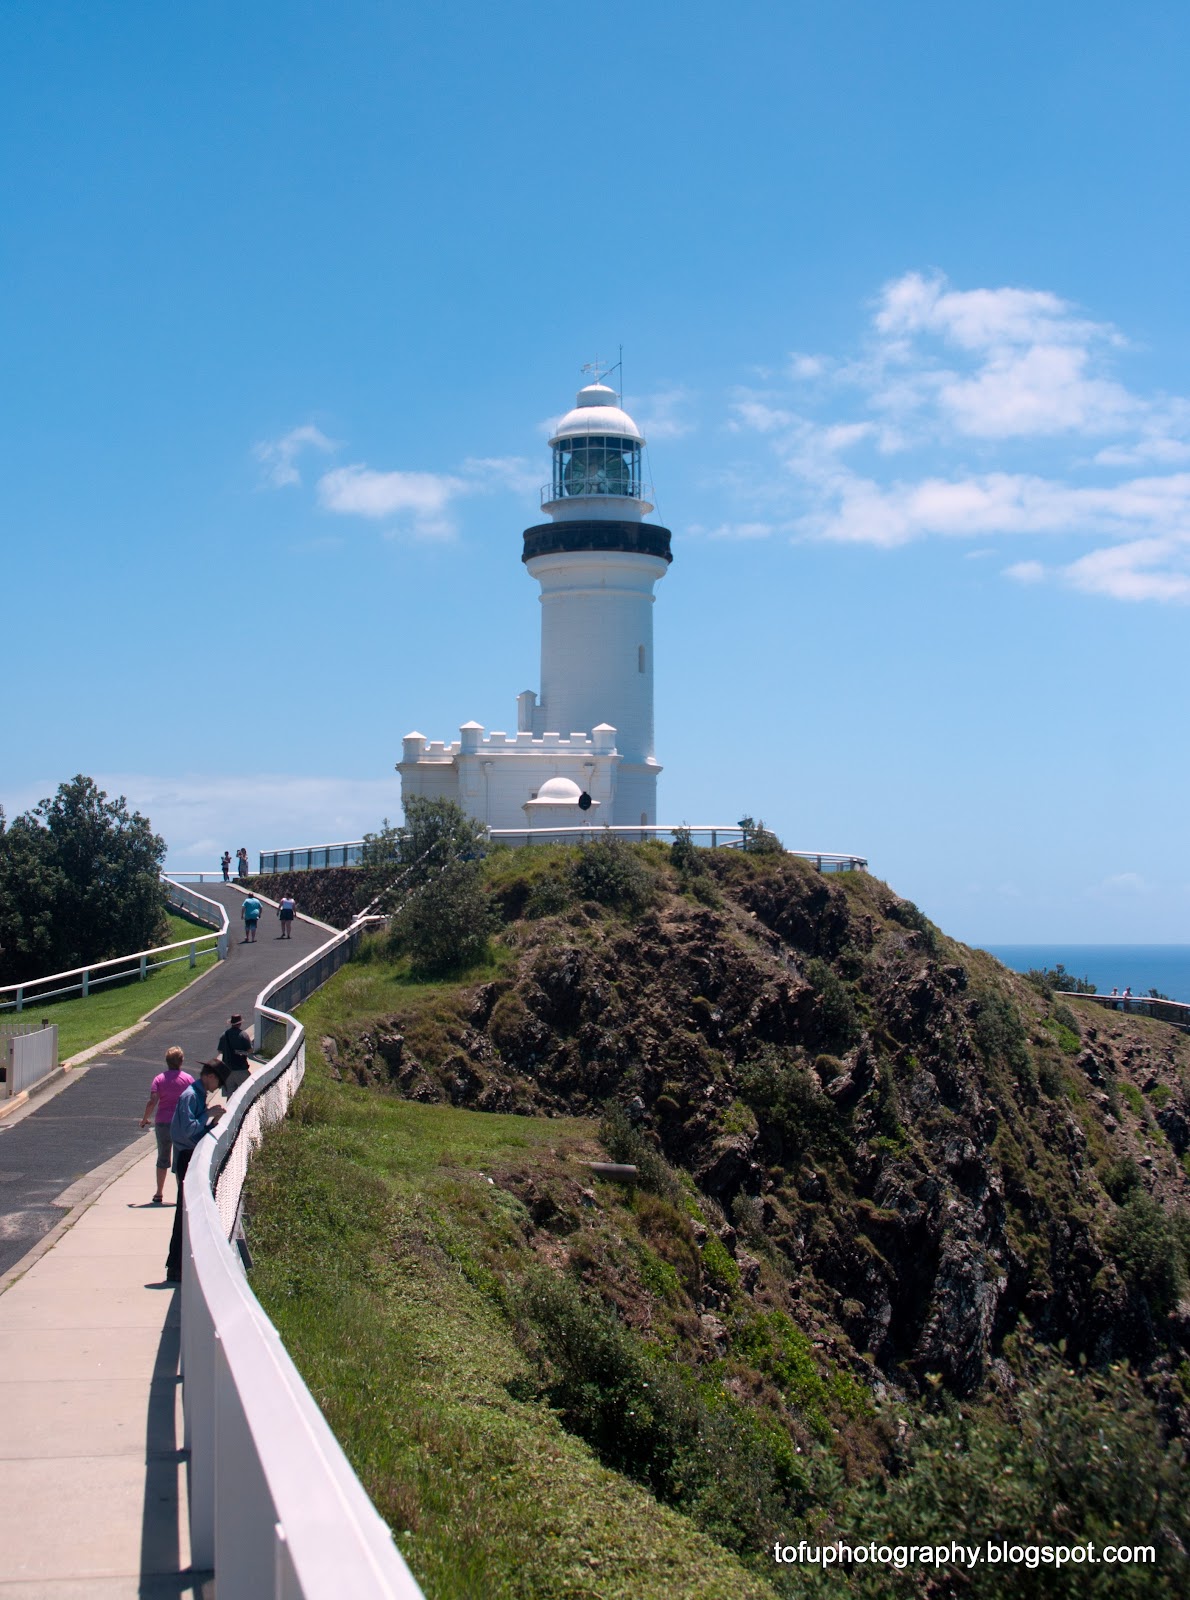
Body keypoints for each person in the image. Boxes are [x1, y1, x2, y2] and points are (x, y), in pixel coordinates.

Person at [164, 1060, 229, 1283]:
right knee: (184, 1213)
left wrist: (212, 1121)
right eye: (218, 1082)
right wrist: (207, 1114)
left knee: (186, 1212)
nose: (218, 1087)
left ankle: (177, 1265)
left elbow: (197, 1131)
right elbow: (188, 1130)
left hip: (188, 1155)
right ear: (209, 1076)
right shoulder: (191, 1096)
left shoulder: (197, 1095)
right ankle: (175, 1266)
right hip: (185, 1157)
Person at [139, 1045, 194, 1205]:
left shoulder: (159, 1079)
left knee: (163, 1157)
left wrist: (144, 1119)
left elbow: (152, 1101)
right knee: (180, 1158)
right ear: (181, 1061)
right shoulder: (188, 1079)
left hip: (163, 1122)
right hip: (180, 1123)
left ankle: (159, 1193)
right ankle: (180, 1192)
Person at [217, 1012, 254, 1094]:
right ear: (240, 1023)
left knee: (230, 1094)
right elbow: (250, 1050)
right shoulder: (243, 1035)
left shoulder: (224, 1035)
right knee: (249, 1091)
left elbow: (220, 1051)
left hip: (227, 1069)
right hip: (240, 1069)